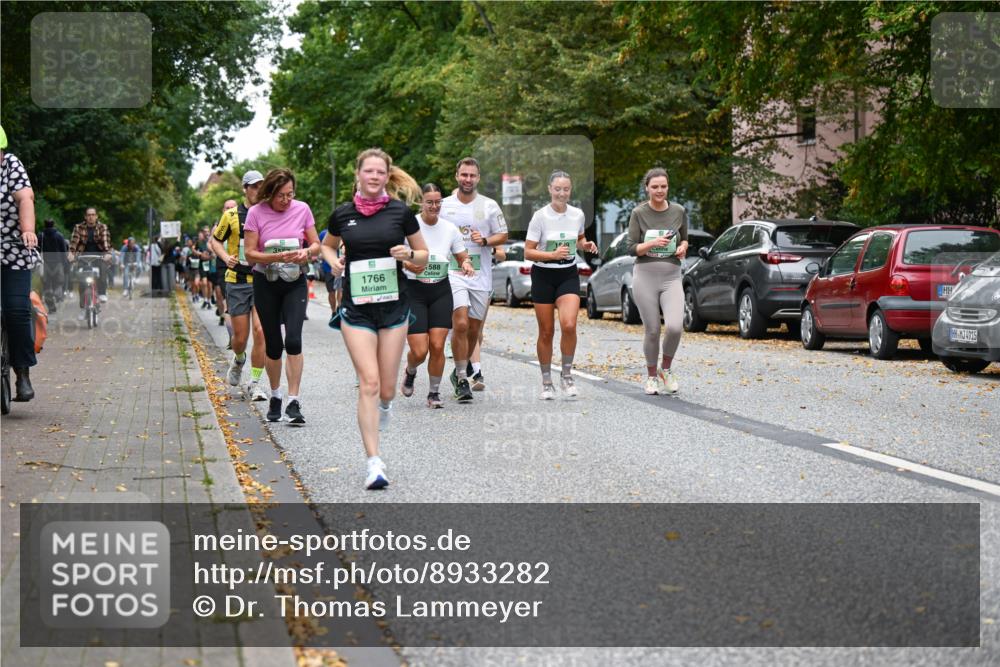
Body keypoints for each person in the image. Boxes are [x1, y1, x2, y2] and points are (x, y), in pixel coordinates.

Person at [322, 148, 429, 490]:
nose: (373, 177)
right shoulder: (342, 215)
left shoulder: (401, 213)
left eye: (379, 172)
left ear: (387, 176)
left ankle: (386, 404)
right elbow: (326, 245)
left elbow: (423, 257)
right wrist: (332, 261)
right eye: (368, 171)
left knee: (386, 388)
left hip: (394, 308)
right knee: (367, 382)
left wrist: (409, 254)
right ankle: (374, 463)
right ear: (358, 175)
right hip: (356, 308)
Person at [243, 168, 321, 424]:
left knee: (295, 340)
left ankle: (293, 401)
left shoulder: (302, 209)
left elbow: (316, 245)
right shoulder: (256, 213)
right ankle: (275, 394)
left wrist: (306, 252)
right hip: (266, 282)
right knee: (274, 345)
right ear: (269, 193)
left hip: (294, 282)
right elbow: (250, 254)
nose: (286, 201)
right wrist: (276, 256)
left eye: (290, 194)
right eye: (281, 196)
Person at [523, 171, 598, 399]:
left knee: (569, 325)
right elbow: (528, 251)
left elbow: (578, 240)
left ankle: (566, 376)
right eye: (557, 189)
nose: (561, 193)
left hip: (568, 275)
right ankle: (546, 381)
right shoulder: (540, 217)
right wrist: (552, 254)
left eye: (566, 189)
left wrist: (586, 246)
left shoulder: (577, 215)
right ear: (549, 189)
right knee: (546, 332)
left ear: (570, 190)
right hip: (543, 276)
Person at [400, 183, 475, 409]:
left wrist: (467, 264)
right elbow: (396, 254)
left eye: (438, 202)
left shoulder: (449, 229)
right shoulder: (409, 225)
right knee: (420, 350)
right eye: (429, 202)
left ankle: (433, 393)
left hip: (440, 290)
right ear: (421, 202)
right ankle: (411, 370)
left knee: (438, 345)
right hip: (414, 291)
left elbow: (462, 255)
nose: (434, 206)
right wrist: (407, 264)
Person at [441, 157, 508, 402]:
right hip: (453, 272)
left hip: (481, 276)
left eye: (472, 175)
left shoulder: (489, 206)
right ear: (456, 176)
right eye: (463, 175)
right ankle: (461, 377)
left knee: (473, 331)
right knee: (459, 323)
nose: (467, 179)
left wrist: (486, 241)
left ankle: (461, 368)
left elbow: (503, 234)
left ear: (478, 178)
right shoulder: (444, 206)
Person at [627, 167, 688, 395]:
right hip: (645, 276)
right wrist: (653, 243)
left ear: (667, 187)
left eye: (663, 186)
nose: (659, 190)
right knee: (652, 330)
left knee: (674, 327)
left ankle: (666, 370)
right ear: (647, 189)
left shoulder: (679, 211)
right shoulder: (638, 213)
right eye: (655, 187)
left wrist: (682, 248)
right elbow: (632, 247)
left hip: (671, 276)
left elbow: (685, 240)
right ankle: (652, 377)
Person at [211, 172, 269, 401]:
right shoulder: (232, 215)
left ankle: (255, 383)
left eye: (261, 187)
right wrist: (226, 257)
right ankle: (238, 359)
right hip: (237, 281)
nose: (258, 190)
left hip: (262, 280)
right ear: (245, 189)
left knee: (261, 332)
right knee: (240, 339)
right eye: (254, 187)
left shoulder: (268, 213)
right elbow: (216, 240)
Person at [0, 124, 40, 401]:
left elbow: (25, 197)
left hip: (12, 250)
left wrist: (27, 229)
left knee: (16, 310)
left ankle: (22, 374)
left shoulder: (11, 165)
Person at [67, 207, 112, 317]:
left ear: (96, 216)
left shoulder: (102, 227)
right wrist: (71, 254)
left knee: (102, 269)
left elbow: (106, 243)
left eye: (93, 215)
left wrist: (107, 253)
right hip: (83, 257)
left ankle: (102, 293)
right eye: (88, 215)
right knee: (82, 280)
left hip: (99, 256)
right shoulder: (78, 227)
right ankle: (83, 307)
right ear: (85, 217)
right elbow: (74, 243)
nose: (91, 217)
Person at [40, 219, 69, 312]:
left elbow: (37, 250)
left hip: (45, 264)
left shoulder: (41, 236)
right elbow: (64, 251)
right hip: (58, 263)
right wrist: (65, 264)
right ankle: (58, 296)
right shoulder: (59, 236)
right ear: (53, 224)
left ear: (44, 225)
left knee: (47, 286)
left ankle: (51, 307)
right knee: (59, 284)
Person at [318, 229, 343, 323]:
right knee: (331, 292)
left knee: (340, 290)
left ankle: (340, 312)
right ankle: (333, 311)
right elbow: (321, 248)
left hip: (341, 267)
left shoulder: (344, 231)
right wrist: (321, 255)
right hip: (328, 267)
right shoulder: (324, 234)